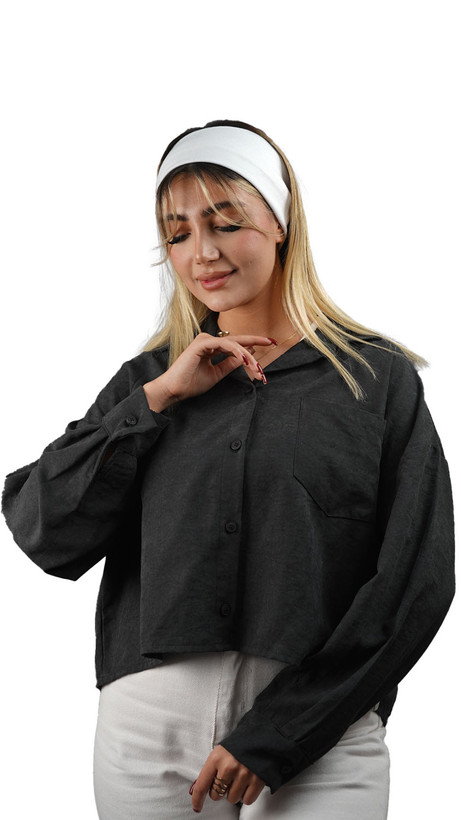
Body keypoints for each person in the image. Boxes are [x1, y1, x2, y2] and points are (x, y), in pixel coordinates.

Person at [1, 118, 455, 819]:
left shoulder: (375, 380)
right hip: (147, 735)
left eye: (225, 222)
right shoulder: (147, 382)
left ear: (279, 224)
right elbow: (44, 531)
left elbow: (415, 580)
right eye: (177, 233)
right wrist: (157, 401)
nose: (202, 252)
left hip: (320, 736)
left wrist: (282, 731)